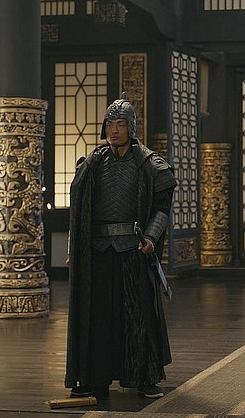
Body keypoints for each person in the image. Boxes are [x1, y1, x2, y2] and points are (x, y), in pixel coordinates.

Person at [65, 96, 176, 400]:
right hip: (98, 250)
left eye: (120, 125)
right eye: (110, 125)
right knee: (97, 317)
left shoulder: (148, 163)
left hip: (133, 248)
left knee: (137, 317)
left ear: (131, 128)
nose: (114, 131)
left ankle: (144, 378)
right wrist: (74, 248)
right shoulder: (93, 163)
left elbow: (161, 207)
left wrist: (150, 237)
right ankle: (94, 378)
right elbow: (79, 210)